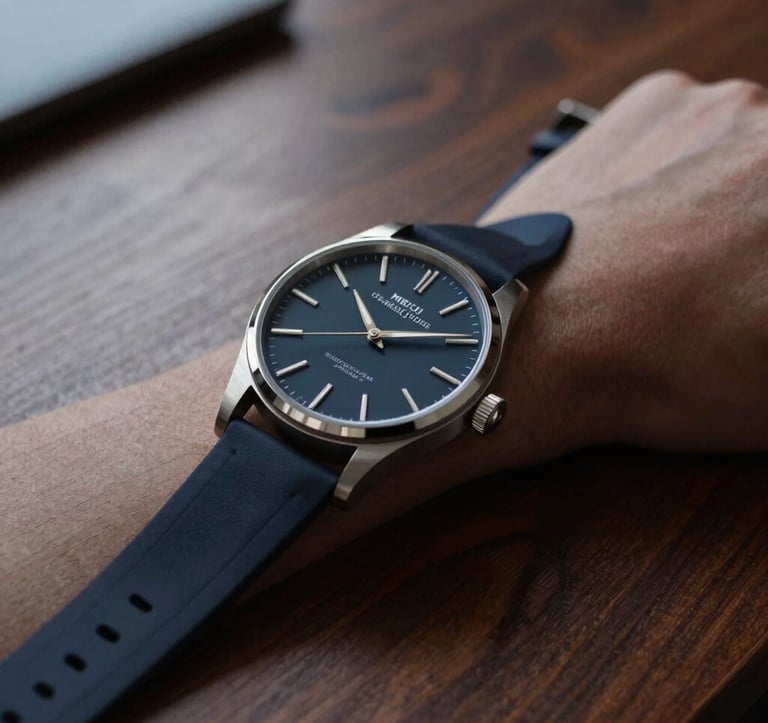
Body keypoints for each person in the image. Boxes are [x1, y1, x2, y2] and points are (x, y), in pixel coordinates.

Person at [1, 71, 767, 658]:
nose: (375, 336)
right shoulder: (271, 377)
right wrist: (569, 317)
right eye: (371, 327)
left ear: (480, 410)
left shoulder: (381, 446)